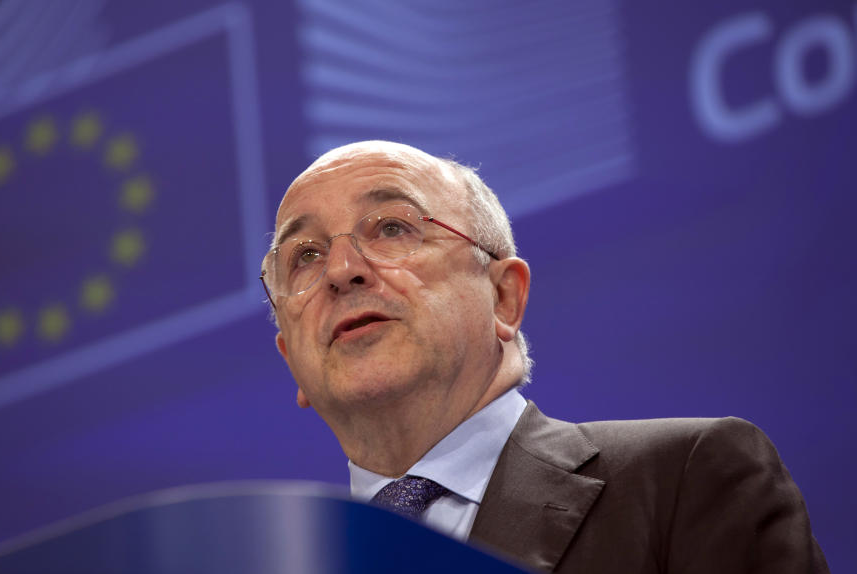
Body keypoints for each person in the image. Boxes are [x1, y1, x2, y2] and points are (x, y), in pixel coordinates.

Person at [260, 140, 828, 573]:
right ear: (292, 360)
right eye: (304, 255)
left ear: (503, 297)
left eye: (391, 227)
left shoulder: (684, 479)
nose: (340, 270)